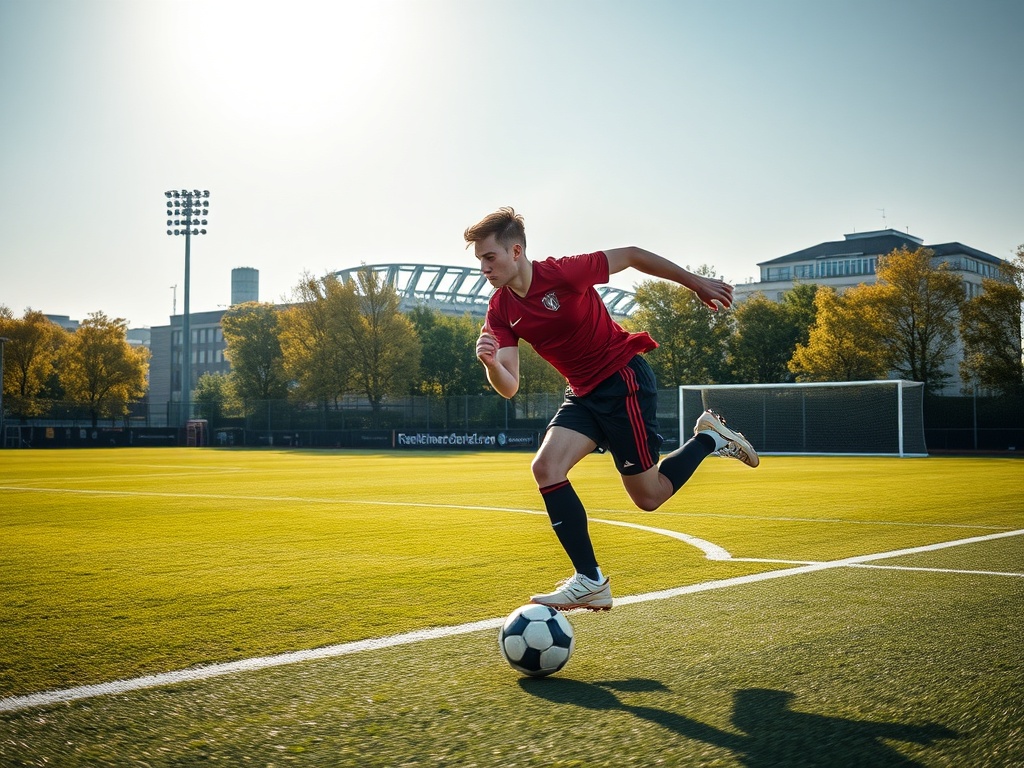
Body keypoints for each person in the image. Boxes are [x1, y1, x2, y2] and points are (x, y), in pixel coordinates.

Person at [466, 207, 759, 611]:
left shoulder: (564, 273)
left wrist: (695, 283)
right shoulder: (500, 308)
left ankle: (708, 439)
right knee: (545, 469)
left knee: (649, 497)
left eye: (489, 257)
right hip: (582, 393)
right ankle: (590, 580)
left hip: (623, 381)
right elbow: (509, 386)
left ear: (516, 251)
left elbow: (633, 255)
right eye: (479, 259)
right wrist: (492, 365)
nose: (483, 267)